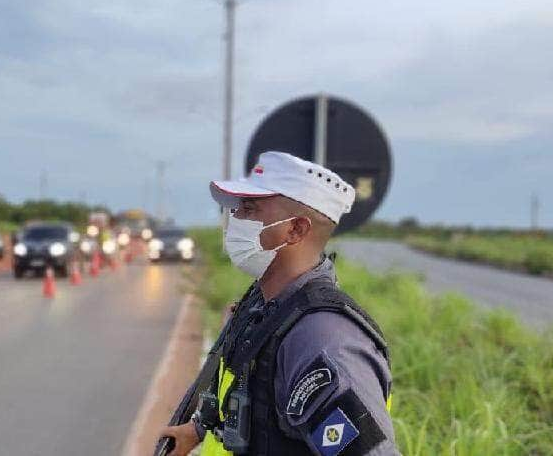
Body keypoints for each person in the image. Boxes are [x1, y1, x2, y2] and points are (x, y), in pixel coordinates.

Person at [161, 151, 397, 455]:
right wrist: (198, 428)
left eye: (249, 209)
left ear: (296, 229)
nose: (234, 219)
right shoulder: (263, 306)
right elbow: (250, 397)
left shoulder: (321, 342)